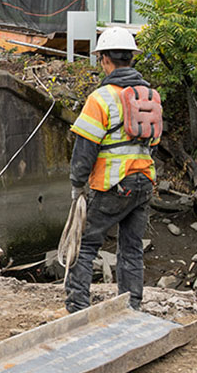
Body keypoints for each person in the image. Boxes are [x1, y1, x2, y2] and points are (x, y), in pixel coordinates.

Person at [65, 27, 158, 313]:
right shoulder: (150, 95)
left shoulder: (101, 98)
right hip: (143, 181)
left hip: (113, 184)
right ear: (131, 58)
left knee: (83, 245)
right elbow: (152, 142)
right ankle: (131, 308)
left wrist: (78, 185)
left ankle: (77, 308)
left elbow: (85, 148)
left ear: (105, 59)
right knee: (131, 250)